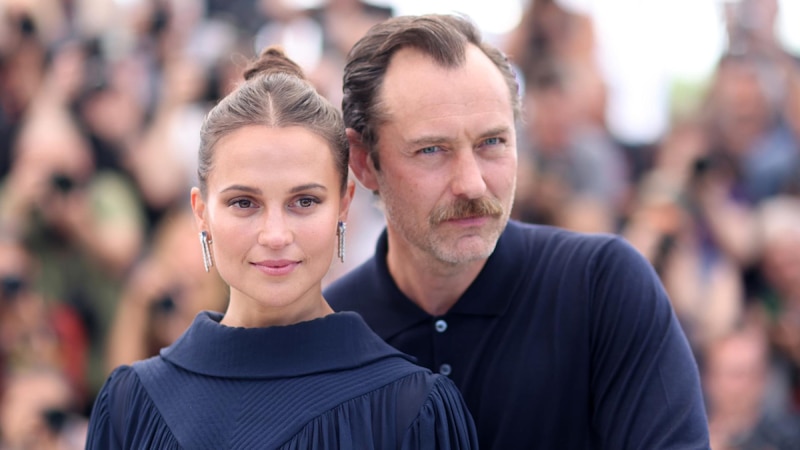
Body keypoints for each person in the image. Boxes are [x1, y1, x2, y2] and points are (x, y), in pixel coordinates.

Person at [324, 13, 711, 449]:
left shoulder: (602, 287)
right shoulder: (328, 337)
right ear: (363, 162)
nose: (472, 183)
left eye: (492, 143)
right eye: (432, 150)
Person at [84, 46, 478, 449]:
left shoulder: (411, 408)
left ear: (344, 205)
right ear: (201, 213)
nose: (275, 235)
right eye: (244, 203)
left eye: (304, 202)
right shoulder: (131, 404)